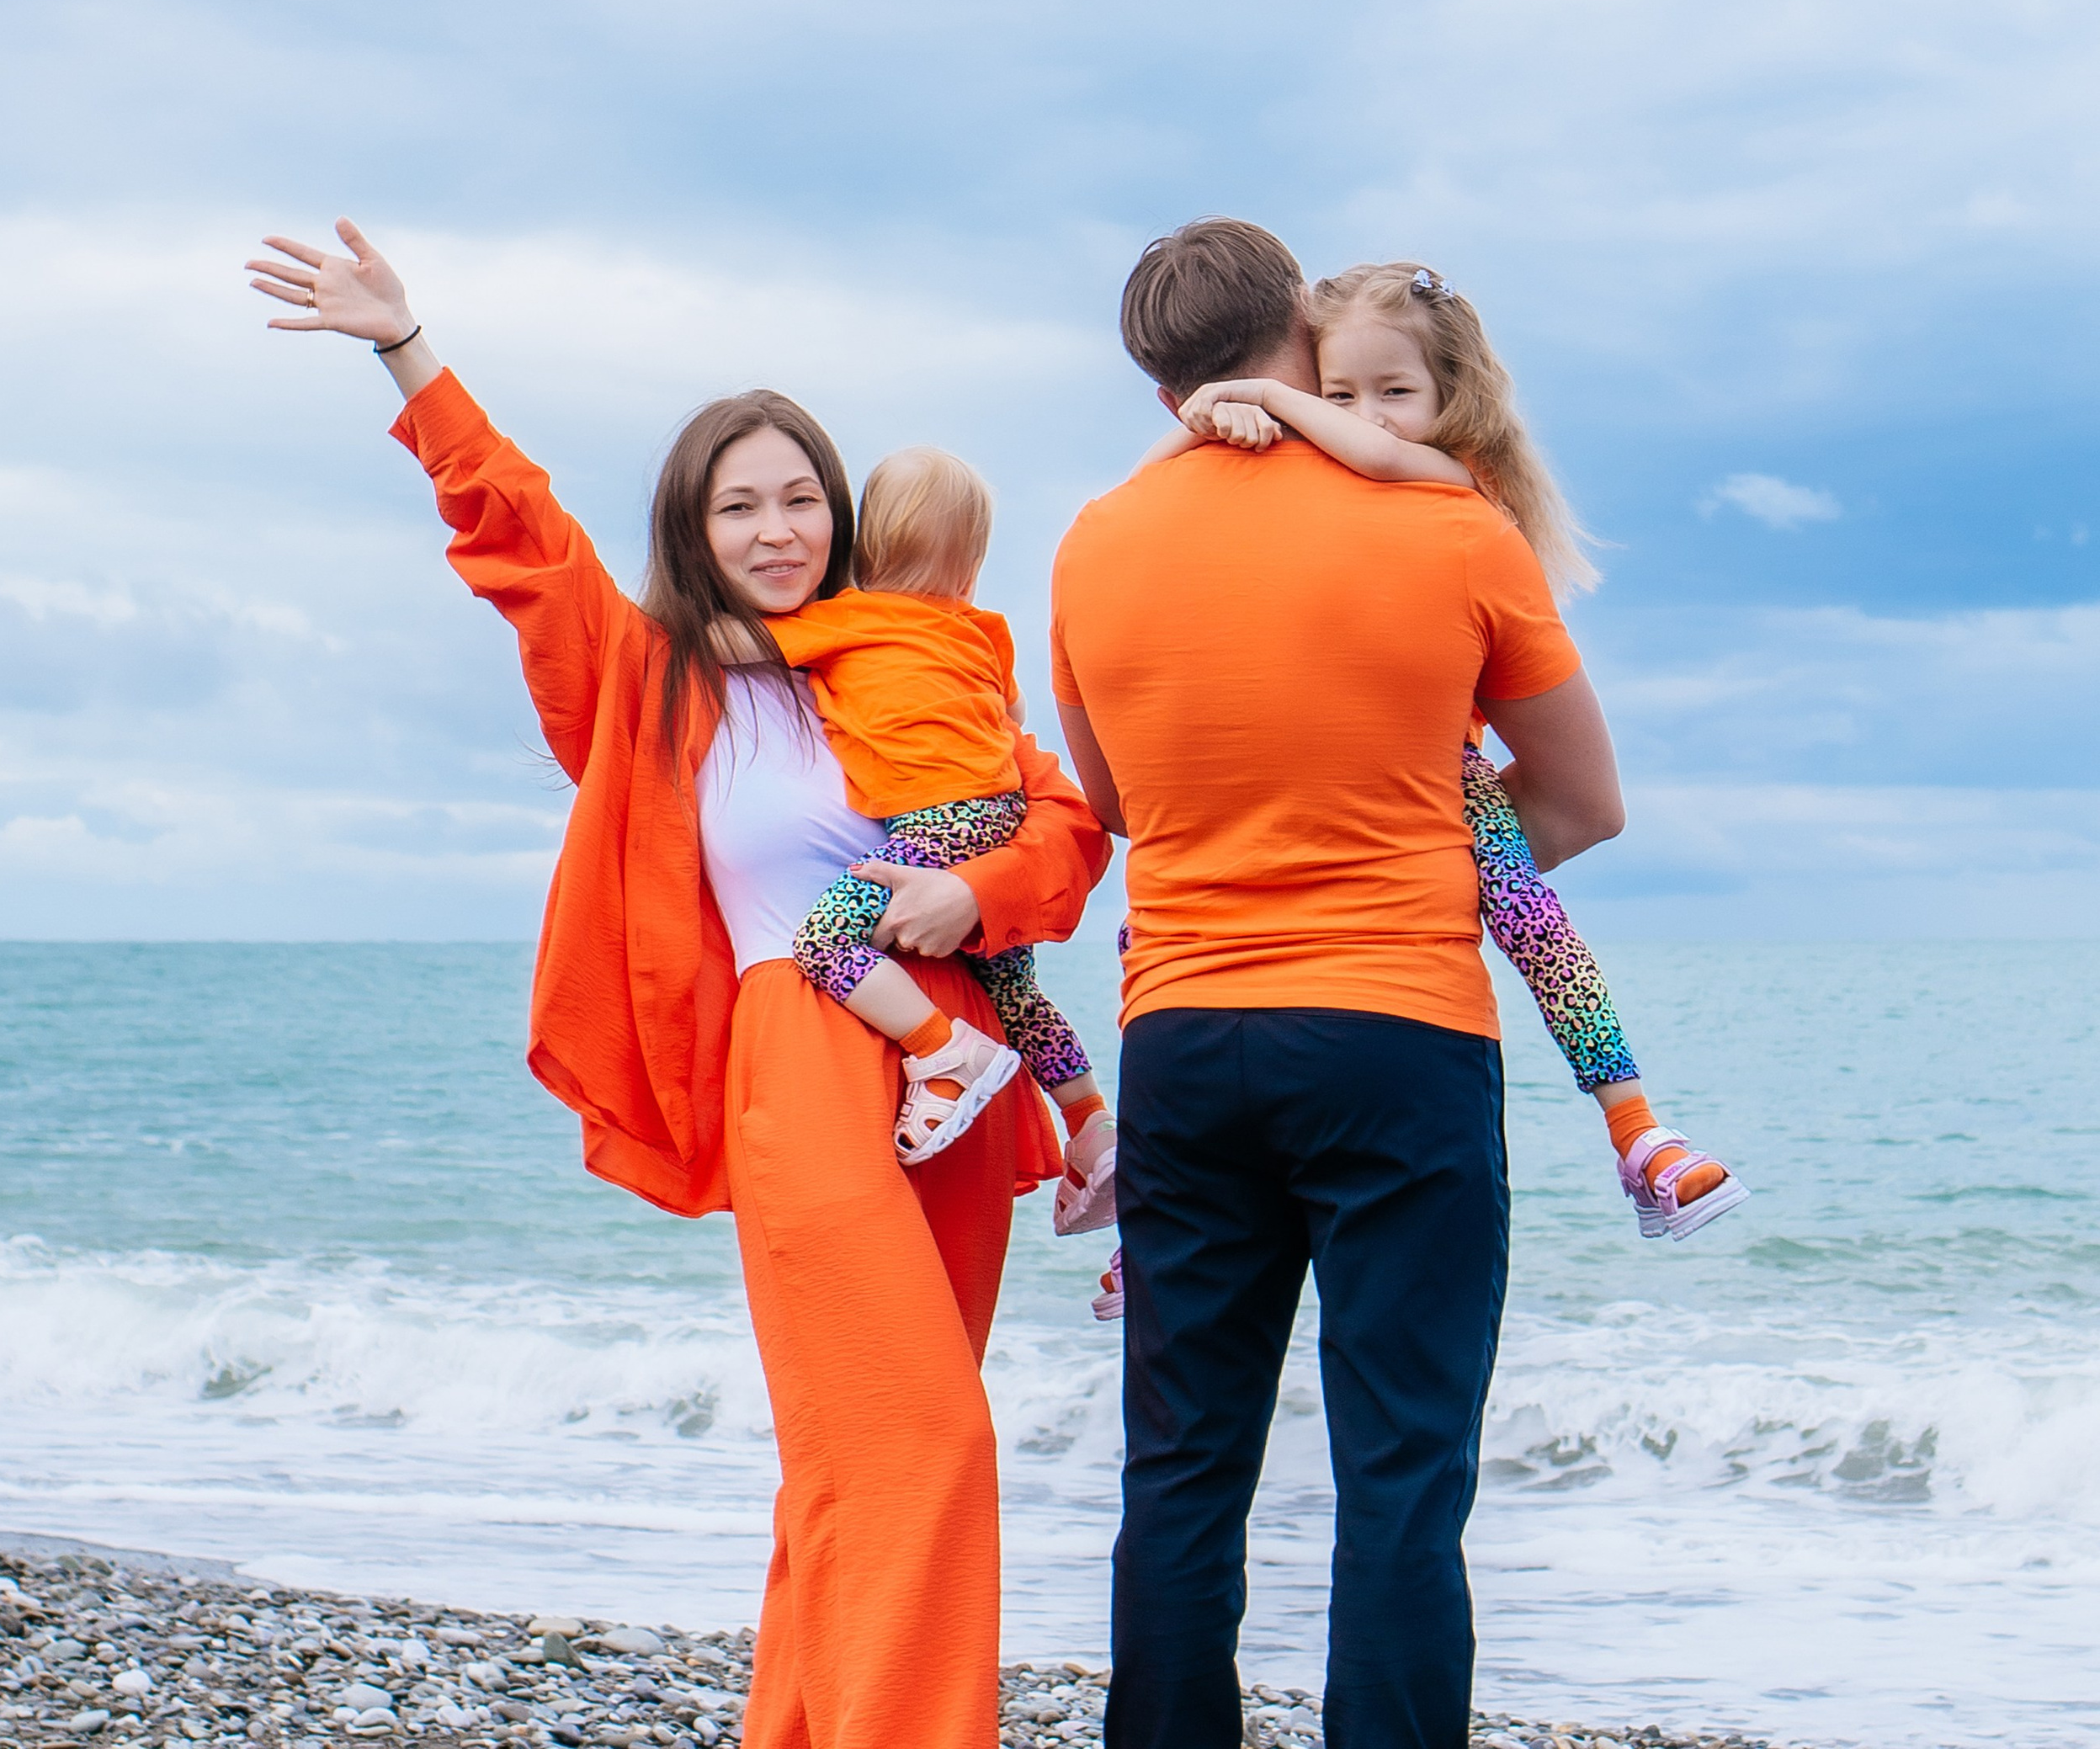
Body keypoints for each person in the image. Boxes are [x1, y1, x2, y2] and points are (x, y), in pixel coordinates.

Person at [245, 219, 1109, 1749]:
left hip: (961, 1065)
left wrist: (966, 892)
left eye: (800, 500)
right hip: (804, 1058)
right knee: (923, 1441)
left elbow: (1059, 832)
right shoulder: (657, 679)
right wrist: (406, 347)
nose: (776, 530)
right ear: (694, 530)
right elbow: (522, 540)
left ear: (840, 516)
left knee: (851, 1462)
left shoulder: (908, 658)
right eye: (740, 506)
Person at [1050, 217, 1629, 1749]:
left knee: (1179, 1468)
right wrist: (1433, 846)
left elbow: (1110, 801)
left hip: (1181, 1032)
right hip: (1397, 1034)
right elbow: (1580, 806)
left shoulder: (1094, 541)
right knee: (1400, 1472)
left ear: (1152, 369)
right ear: (1300, 332)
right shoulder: (1449, 528)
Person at [1162, 260, 1743, 1243]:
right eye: (1340, 393)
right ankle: (1141, 1195)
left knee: (1529, 917)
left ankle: (1636, 1130)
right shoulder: (1288, 479)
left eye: (1395, 392)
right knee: (1176, 935)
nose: (1368, 417)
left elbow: (1383, 461)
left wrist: (1258, 397)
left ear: (1450, 398)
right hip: (1301, 807)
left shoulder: (1446, 480)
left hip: (1440, 783)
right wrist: (1203, 420)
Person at [770, 444, 1118, 1217]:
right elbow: (1013, 716)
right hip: (999, 811)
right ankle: (1093, 1127)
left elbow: (744, 646)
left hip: (937, 818)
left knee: (824, 943)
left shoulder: (845, 621)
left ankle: (943, 1052)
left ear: (864, 546)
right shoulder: (979, 628)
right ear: (969, 566)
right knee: (1018, 991)